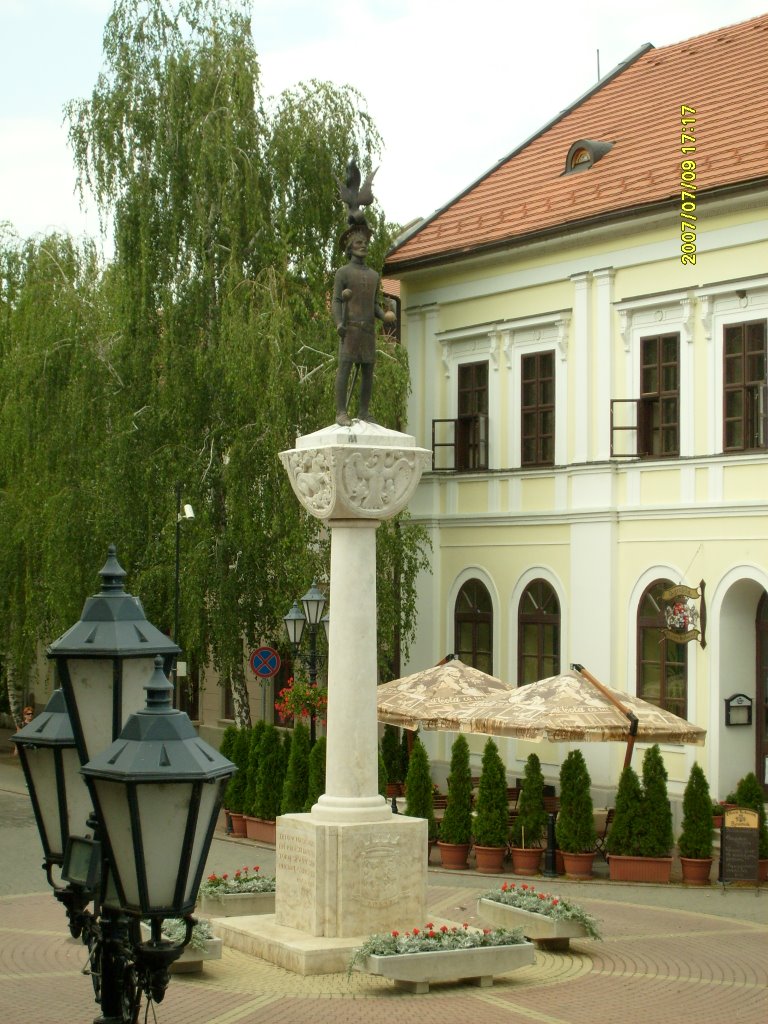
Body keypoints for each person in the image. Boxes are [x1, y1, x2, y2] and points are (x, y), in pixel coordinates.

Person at [332, 225, 395, 426]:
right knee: (345, 368)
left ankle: (363, 411)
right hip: (350, 328)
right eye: (359, 242)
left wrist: (383, 316)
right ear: (350, 247)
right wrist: (339, 322)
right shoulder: (343, 273)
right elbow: (336, 301)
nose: (363, 246)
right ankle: (341, 412)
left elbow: (373, 302)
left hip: (367, 330)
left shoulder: (374, 275)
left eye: (365, 243)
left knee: (368, 371)